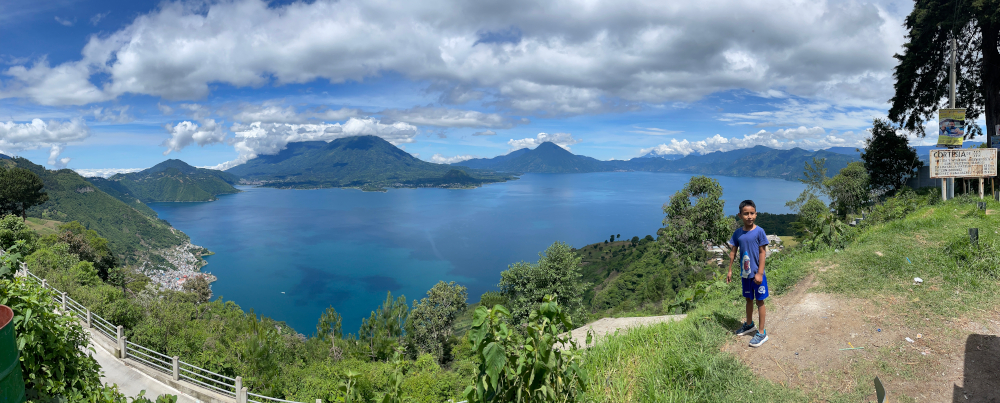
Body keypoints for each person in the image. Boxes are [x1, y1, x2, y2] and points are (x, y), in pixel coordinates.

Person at [726, 199, 770, 347]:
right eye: (746, 214)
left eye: (752, 213)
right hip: (745, 274)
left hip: (757, 275)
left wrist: (760, 273)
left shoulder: (759, 231)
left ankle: (762, 332)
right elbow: (733, 252)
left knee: (760, 301)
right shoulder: (738, 233)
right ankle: (749, 324)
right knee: (748, 299)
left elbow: (762, 253)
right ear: (740, 215)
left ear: (756, 214)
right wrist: (730, 270)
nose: (749, 216)